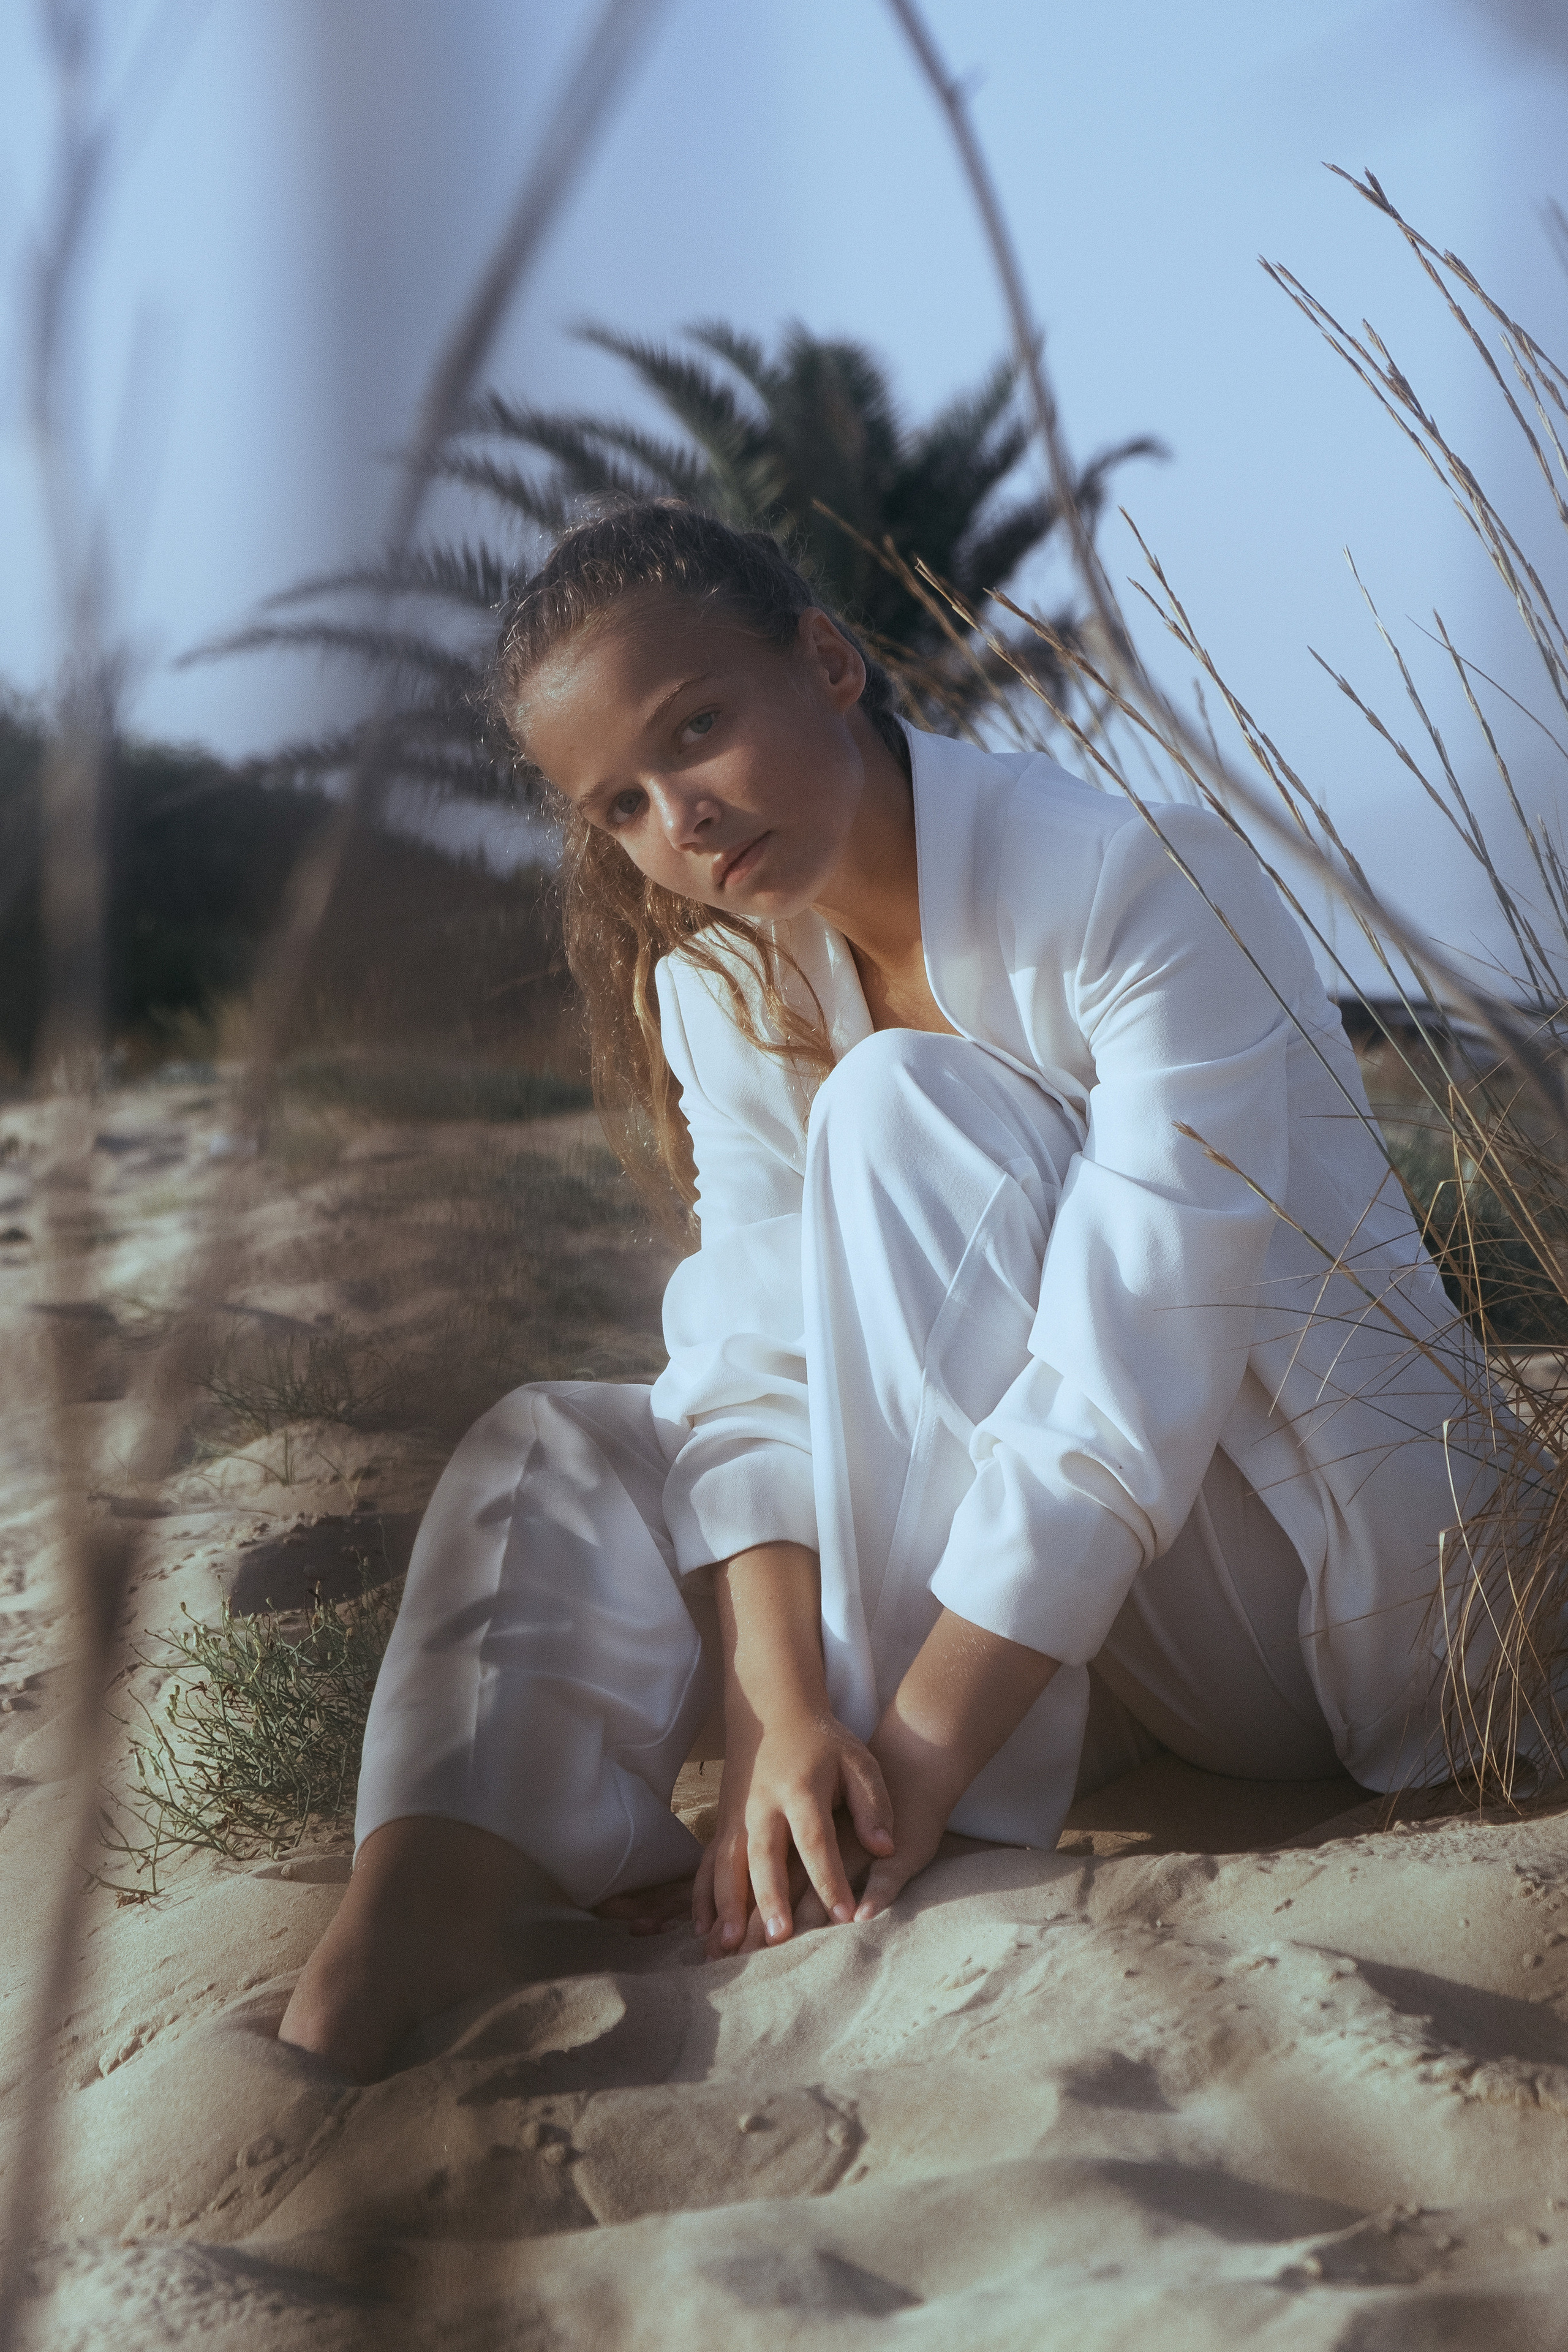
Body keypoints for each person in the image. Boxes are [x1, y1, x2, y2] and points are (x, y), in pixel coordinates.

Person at [279, 500, 1490, 2082]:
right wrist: (777, 1712)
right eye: (624, 803)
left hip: (1300, 1608)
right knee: (560, 1445)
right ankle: (422, 1903)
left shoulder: (1133, 879)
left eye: (698, 729)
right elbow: (756, 1364)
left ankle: (856, 1842)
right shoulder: (726, 982)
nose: (681, 821)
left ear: (830, 664)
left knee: (905, 1109)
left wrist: (907, 1755)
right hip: (1056, 1644)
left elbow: (1131, 1389)